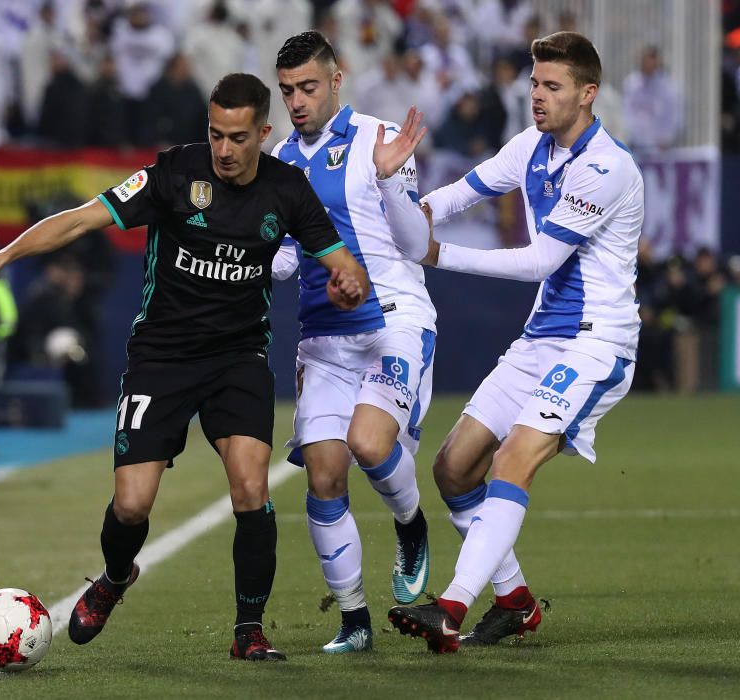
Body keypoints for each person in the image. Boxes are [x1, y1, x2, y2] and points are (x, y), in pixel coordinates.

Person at [0, 73, 369, 662]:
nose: (224, 150)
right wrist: (1, 256)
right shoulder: (174, 174)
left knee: (251, 487)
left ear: (264, 133)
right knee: (131, 505)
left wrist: (348, 279)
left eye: (238, 137)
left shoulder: (289, 190)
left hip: (238, 358)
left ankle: (248, 631)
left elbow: (341, 260)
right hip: (162, 357)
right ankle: (116, 576)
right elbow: (80, 219)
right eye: (216, 134)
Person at [379, 31, 644, 652]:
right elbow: (461, 193)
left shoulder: (607, 167)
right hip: (540, 340)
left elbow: (539, 263)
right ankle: (518, 603)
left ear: (587, 94)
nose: (537, 97)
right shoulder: (532, 145)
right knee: (452, 468)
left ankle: (449, 607)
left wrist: (437, 253)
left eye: (552, 87)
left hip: (596, 343)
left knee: (511, 459)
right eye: (533, 84)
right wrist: (400, 205)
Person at [269, 31, 436, 654]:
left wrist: (392, 181)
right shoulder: (280, 162)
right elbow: (286, 261)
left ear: (337, 81)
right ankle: (355, 619)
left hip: (393, 317)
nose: (297, 101)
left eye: (308, 87)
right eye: (287, 91)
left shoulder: (379, 138)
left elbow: (416, 243)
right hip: (323, 337)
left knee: (369, 444)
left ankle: (411, 524)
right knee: (323, 473)